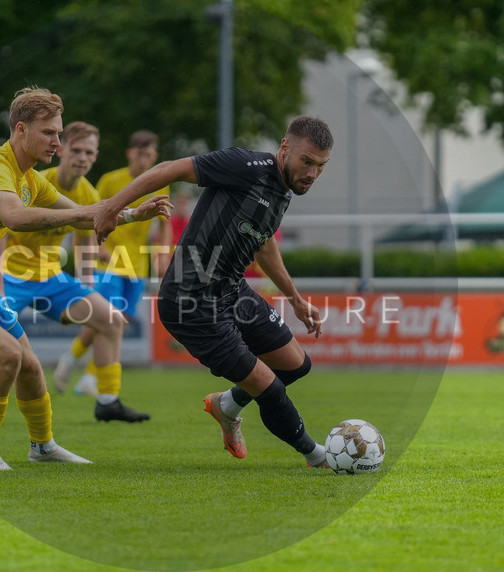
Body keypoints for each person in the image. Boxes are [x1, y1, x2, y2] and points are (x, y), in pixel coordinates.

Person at [0, 86, 171, 470]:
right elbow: (14, 217)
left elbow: (81, 213)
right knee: (8, 356)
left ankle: (43, 446)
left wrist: (130, 215)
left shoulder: (30, 179)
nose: (58, 143)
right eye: (50, 133)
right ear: (21, 129)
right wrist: (87, 216)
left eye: (60, 134)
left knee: (29, 363)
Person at [94, 116, 332, 467]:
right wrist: (111, 207)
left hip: (231, 291)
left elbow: (263, 245)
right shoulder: (245, 166)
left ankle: (227, 406)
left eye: (321, 167)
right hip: (190, 302)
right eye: (307, 162)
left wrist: (295, 299)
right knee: (270, 389)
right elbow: (169, 169)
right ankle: (320, 457)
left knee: (296, 365)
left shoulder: (284, 189)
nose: (312, 173)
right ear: (284, 148)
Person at [0, 121, 151, 424]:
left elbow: (84, 243)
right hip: (11, 277)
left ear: (95, 157)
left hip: (52, 279)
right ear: (62, 149)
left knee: (110, 319)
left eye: (89, 152)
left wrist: (87, 285)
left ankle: (108, 401)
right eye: (77, 150)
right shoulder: (36, 184)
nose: (82, 157)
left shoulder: (89, 194)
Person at [54, 130, 173, 397]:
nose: (144, 159)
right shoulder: (111, 180)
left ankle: (83, 371)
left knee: (120, 320)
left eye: (150, 154)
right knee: (109, 318)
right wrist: (101, 247)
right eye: (140, 153)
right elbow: (93, 216)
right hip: (108, 263)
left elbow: (164, 224)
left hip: (137, 265)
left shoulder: (160, 184)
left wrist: (163, 254)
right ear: (130, 153)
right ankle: (77, 367)